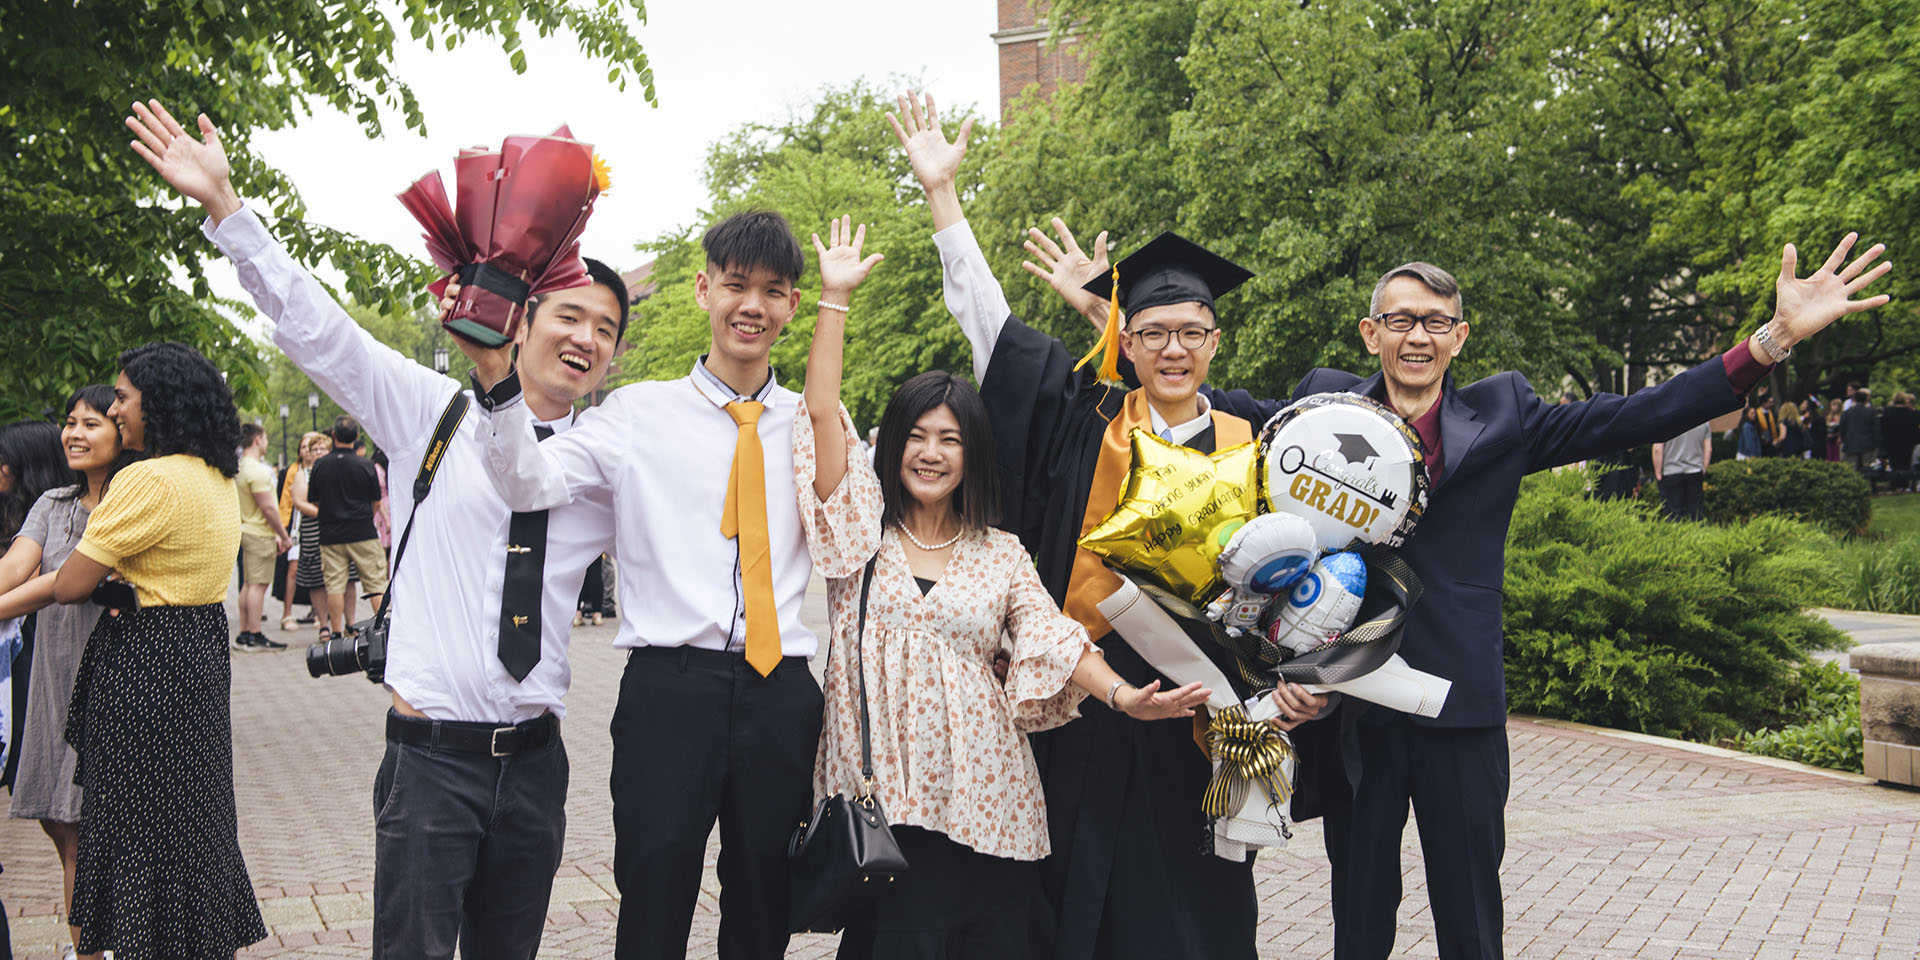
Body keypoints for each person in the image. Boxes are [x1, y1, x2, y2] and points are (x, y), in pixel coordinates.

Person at [1069, 235, 1891, 960]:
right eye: (1399, 319)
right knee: (1359, 920)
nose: (1416, 335)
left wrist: (1774, 339)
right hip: (1349, 708)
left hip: (1459, 709)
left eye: (1434, 321)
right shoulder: (1318, 407)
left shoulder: (1506, 416)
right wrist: (1111, 318)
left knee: (1470, 916)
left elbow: (1640, 414)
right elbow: (1185, 385)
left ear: (1458, 336)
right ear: (1371, 333)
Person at [127, 97, 625, 960]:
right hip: (433, 763)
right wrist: (227, 211)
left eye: (607, 330)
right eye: (570, 316)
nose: (586, 338)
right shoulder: (431, 410)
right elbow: (323, 334)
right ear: (524, 318)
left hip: (539, 764)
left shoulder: (606, 459)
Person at [893, 91, 1325, 959]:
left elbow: (1312, 574)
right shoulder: (1084, 421)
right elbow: (993, 333)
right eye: (1153, 332)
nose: (1173, 349)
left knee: (1202, 916)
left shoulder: (1255, 438)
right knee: (1078, 911)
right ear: (1125, 342)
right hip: (1093, 708)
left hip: (1212, 719)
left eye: (1190, 333)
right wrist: (944, 198)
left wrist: (1305, 681)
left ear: (1214, 340)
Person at [468, 209, 883, 960]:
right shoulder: (635, 414)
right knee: (654, 898)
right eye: (734, 286)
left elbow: (850, 535)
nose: (750, 305)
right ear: (703, 290)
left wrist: (838, 301)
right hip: (670, 689)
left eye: (772, 290)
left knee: (763, 904)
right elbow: (530, 485)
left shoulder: (815, 417)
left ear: (792, 305)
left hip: (782, 691)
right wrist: (497, 383)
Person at [800, 241, 1211, 955]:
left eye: (951, 440)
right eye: (919, 437)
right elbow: (821, 413)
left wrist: (1123, 697)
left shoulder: (1000, 552)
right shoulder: (860, 535)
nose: (932, 453)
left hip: (987, 807)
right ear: (894, 446)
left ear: (972, 456)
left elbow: (1054, 638)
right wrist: (834, 300)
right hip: (887, 809)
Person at [48, 342, 267, 958]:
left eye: (122, 398)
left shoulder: (144, 479)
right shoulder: (217, 476)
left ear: (158, 404)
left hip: (143, 656)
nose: (115, 411)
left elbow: (70, 586)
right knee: (193, 819)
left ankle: (142, 943)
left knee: (132, 821)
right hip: (199, 651)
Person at [0, 385, 131, 960]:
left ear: (122, 431)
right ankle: (89, 954)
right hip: (54, 683)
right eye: (71, 422)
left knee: (118, 837)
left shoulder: (136, 497)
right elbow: (17, 566)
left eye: (92, 423)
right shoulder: (51, 503)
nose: (75, 433)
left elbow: (62, 585)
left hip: (116, 680)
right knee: (68, 832)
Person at [0, 420, 72, 795]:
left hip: (42, 645)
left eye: (4, 459)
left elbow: (47, 581)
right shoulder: (20, 509)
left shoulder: (62, 510)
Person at [307, 416, 389, 639]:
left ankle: (335, 632)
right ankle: (382, 630)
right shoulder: (365, 465)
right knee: (375, 583)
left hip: (331, 533)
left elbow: (314, 501)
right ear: (357, 437)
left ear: (333, 436)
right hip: (362, 531)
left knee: (334, 586)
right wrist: (365, 517)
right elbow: (376, 502)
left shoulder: (320, 465)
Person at [233, 422, 292, 652]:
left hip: (247, 530)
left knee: (248, 584)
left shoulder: (241, 468)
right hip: (259, 533)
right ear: (257, 439)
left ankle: (245, 632)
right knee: (258, 585)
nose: (266, 442)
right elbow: (268, 508)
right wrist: (283, 536)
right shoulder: (256, 471)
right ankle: (254, 634)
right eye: (265, 438)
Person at [285, 431, 333, 634]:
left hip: (332, 530)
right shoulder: (299, 473)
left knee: (332, 575)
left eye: (321, 448)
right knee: (305, 574)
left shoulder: (332, 469)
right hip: (307, 529)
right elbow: (295, 502)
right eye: (312, 448)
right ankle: (292, 613)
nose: (316, 452)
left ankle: (330, 618)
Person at [1652, 420, 1712, 520]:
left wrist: (1658, 473)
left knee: (1672, 515)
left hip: (1671, 472)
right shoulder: (1703, 421)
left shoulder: (1665, 421)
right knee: (1696, 514)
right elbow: (1708, 449)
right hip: (1695, 471)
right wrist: (1703, 469)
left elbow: (1657, 449)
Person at [1838, 388, 1881, 477]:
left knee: (1851, 469)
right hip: (1868, 444)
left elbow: (1842, 429)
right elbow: (1875, 429)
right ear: (1866, 399)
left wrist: (1844, 439)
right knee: (1868, 468)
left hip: (1851, 443)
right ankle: (1868, 486)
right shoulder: (1871, 412)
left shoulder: (1846, 413)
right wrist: (1877, 442)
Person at [1882, 392, 1919, 490]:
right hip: (1908, 443)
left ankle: (1895, 483)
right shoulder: (1911, 414)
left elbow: (1883, 429)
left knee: (1894, 464)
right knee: (1906, 464)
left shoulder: (1887, 413)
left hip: (1891, 442)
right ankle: (1905, 484)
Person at [1825, 396, 1845, 460]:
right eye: (1832, 405)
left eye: (1835, 405)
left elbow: (1842, 428)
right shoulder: (1829, 416)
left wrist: (1838, 436)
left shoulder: (1841, 416)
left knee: (1837, 455)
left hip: (1837, 439)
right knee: (1829, 454)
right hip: (1829, 439)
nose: (1833, 407)